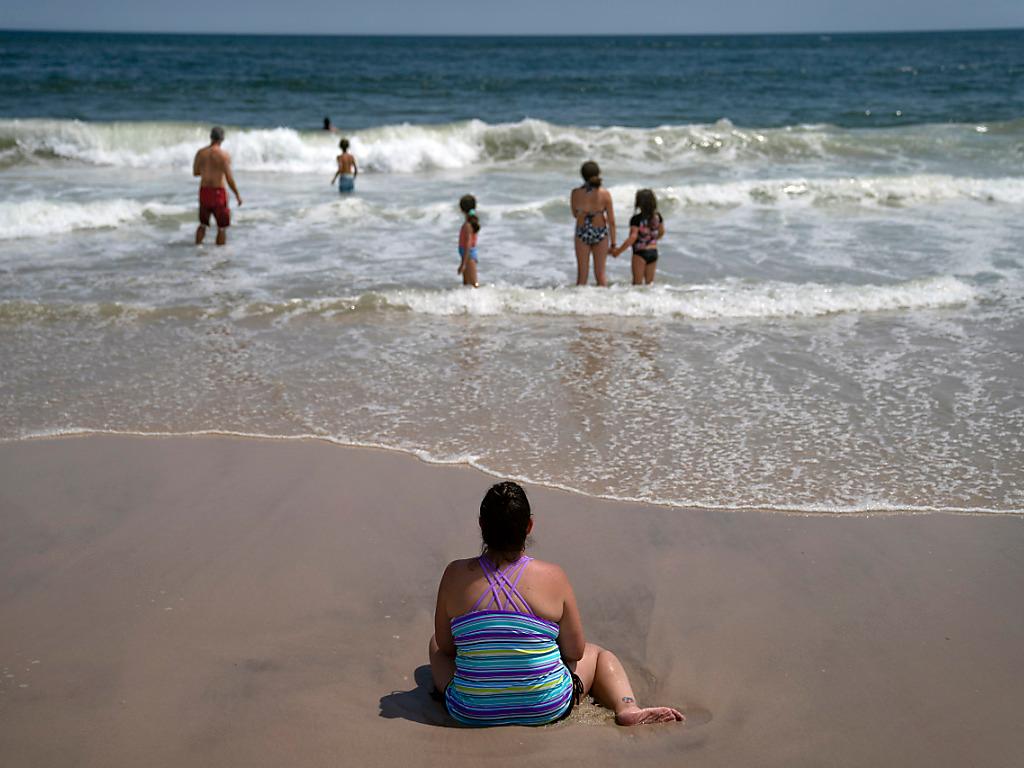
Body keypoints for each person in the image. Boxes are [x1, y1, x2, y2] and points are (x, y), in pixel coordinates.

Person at [429, 481, 685, 727]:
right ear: (529, 526)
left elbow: (447, 647)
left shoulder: (454, 574)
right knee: (596, 654)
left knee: (435, 644)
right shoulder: (553, 576)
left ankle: (476, 693)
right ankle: (627, 707)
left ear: (481, 525)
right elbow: (575, 652)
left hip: (471, 710)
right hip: (547, 706)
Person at [193, 126, 242, 246]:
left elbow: (195, 173)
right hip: (218, 193)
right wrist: (237, 195)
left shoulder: (201, 153)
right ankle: (220, 255)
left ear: (211, 137)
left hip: (204, 192)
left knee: (203, 224)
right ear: (222, 139)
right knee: (222, 227)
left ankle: (197, 250)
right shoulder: (224, 155)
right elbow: (229, 179)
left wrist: (206, 171)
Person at [569, 160, 616, 286]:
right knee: (600, 275)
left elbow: (574, 214)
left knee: (582, 276)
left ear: (582, 175)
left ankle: (578, 303)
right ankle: (604, 303)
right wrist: (614, 243)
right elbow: (611, 221)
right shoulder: (605, 194)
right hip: (600, 233)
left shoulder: (575, 193)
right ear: (598, 173)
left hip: (581, 232)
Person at [612, 189, 665, 285]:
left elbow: (633, 237)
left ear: (639, 203)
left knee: (637, 284)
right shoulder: (658, 217)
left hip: (640, 253)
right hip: (653, 252)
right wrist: (652, 239)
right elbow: (661, 232)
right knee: (649, 284)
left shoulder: (636, 219)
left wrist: (618, 251)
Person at [457, 194, 480, 288]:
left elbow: (468, 244)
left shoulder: (467, 225)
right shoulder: (468, 223)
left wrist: (463, 263)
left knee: (474, 284)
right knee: (466, 284)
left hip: (468, 255)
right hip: (466, 255)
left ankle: (483, 301)